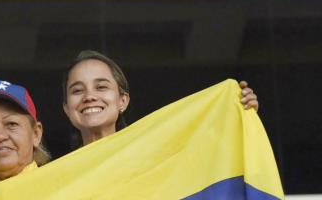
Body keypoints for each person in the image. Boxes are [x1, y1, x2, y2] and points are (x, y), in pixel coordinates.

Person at [61, 50, 259, 148]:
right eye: (77, 90)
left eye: (101, 87)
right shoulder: (57, 176)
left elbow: (214, 159)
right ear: (67, 109)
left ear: (123, 101)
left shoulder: (153, 156)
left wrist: (241, 117)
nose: (89, 97)